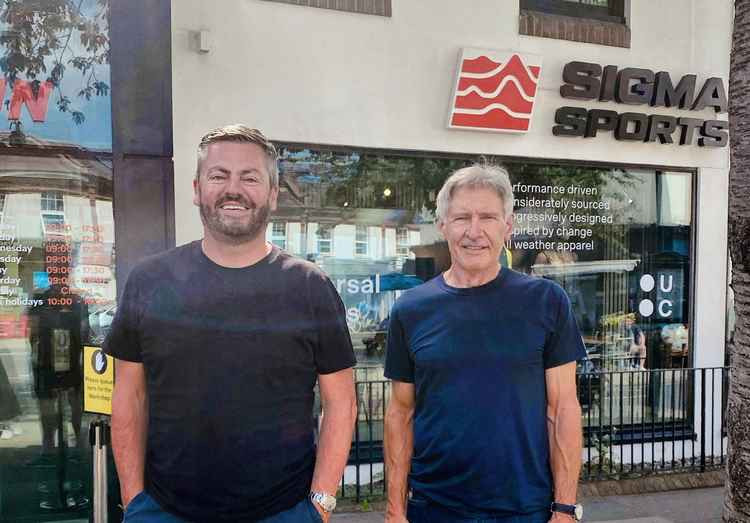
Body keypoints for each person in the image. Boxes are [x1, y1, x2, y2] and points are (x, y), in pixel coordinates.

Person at [105, 125, 357, 523]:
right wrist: (134, 501)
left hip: (283, 513)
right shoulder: (149, 281)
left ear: (272, 194)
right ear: (197, 188)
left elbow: (341, 403)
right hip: (165, 512)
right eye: (219, 175)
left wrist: (321, 505)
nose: (232, 189)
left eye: (250, 177)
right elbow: (128, 395)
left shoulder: (310, 287)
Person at [383, 165, 586, 522]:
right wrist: (395, 510)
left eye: (488, 217)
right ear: (443, 224)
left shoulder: (546, 301)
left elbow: (563, 409)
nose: (473, 232)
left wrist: (565, 509)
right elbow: (401, 413)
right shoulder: (411, 309)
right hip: (433, 509)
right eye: (461, 217)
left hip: (526, 510)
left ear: (507, 227)